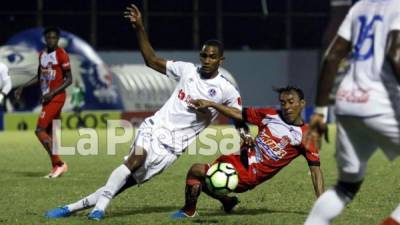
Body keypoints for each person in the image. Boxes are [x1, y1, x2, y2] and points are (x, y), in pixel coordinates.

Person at [45, 4, 242, 221]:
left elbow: (238, 114)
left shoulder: (226, 89)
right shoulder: (188, 70)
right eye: (203, 55)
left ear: (220, 60)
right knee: (135, 160)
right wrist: (139, 27)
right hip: (155, 127)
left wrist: (218, 110)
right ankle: (98, 211)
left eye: (211, 57)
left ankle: (70, 208)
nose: (206, 60)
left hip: (171, 148)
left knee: (123, 184)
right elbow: (152, 61)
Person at [304, 0, 400, 224]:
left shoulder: (360, 7)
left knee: (345, 187)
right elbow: (395, 53)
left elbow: (332, 55)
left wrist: (319, 112)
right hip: (381, 104)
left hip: (347, 105)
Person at [170, 86, 325, 219]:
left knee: (196, 171)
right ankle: (228, 202)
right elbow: (238, 114)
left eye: (291, 102)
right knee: (203, 180)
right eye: (283, 103)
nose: (287, 107)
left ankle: (188, 212)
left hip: (248, 174)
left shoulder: (307, 136)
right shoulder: (270, 115)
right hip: (234, 158)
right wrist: (213, 105)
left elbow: (316, 172)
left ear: (302, 103)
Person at [15, 27, 73, 178]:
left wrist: (52, 93)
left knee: (39, 130)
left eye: (54, 37)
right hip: (47, 97)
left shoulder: (61, 54)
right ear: (45, 39)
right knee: (48, 133)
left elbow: (69, 79)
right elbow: (39, 76)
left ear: (58, 39)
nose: (51, 40)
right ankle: (56, 168)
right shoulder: (42, 54)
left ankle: (60, 163)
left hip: (56, 97)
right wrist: (22, 86)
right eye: (49, 37)